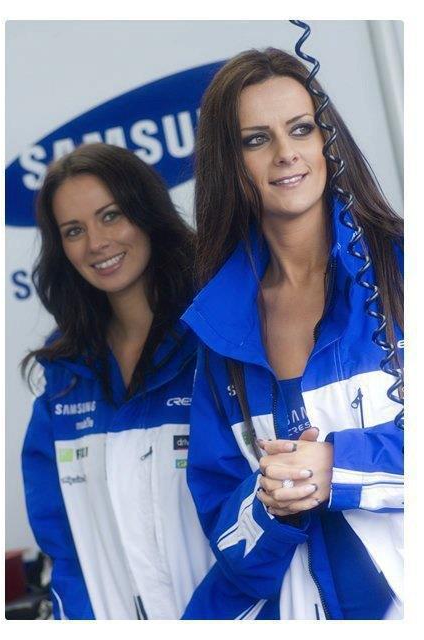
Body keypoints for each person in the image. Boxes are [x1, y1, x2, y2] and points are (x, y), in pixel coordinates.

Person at [181, 48, 404, 620]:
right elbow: (230, 546)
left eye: (301, 129)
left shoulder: (405, 271)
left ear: (327, 140)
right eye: (257, 140)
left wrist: (340, 468)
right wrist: (270, 505)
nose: (286, 154)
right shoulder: (217, 332)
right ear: (231, 165)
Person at [21, 143, 214, 620]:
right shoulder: (67, 375)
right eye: (74, 230)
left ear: (145, 212)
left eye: (111, 216)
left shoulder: (217, 337)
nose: (96, 243)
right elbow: (64, 546)